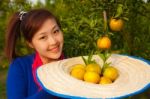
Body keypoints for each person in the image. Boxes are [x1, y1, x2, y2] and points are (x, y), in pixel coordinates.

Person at [5, 8, 65, 99]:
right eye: (43, 37)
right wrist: (52, 88)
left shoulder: (72, 67)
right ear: (30, 43)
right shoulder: (20, 67)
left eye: (55, 31)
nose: (53, 41)